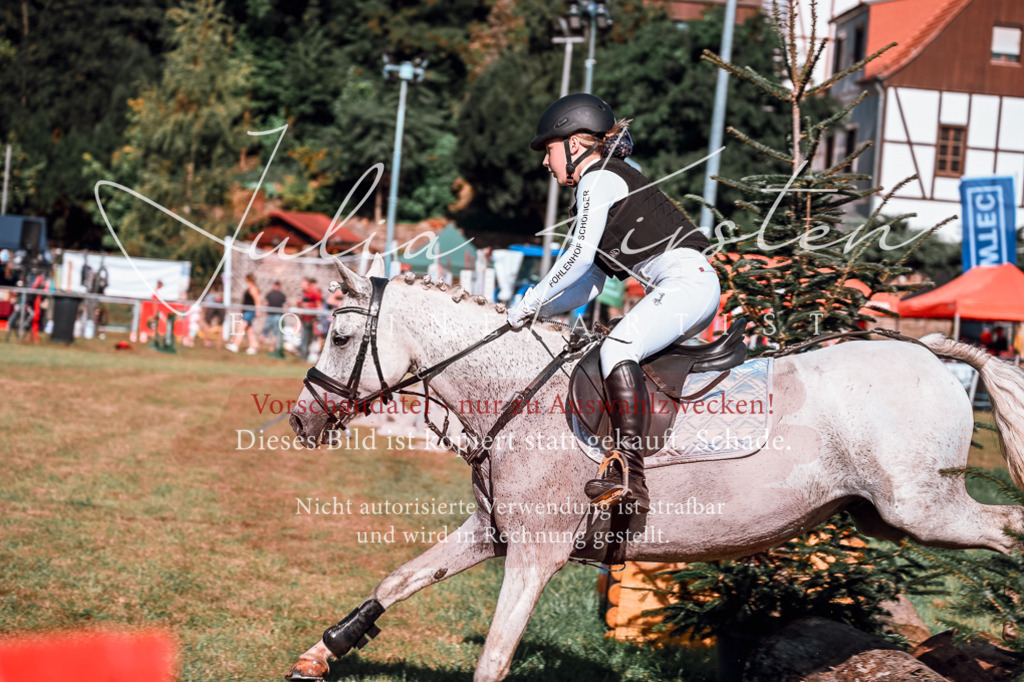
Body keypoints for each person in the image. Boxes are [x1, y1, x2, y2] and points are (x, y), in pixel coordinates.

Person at [507, 93, 721, 513]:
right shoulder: (607, 178)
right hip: (685, 286)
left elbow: (576, 256)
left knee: (618, 347)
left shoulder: (598, 178)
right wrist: (540, 312)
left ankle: (630, 475)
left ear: (572, 144)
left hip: (687, 284)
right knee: (619, 348)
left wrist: (528, 299)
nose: (544, 163)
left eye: (547, 149)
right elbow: (590, 280)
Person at [227, 273, 260, 354]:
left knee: (241, 328)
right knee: (249, 330)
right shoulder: (249, 288)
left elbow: (257, 300)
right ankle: (253, 346)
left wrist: (258, 311)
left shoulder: (253, 288)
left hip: (250, 311)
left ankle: (235, 345)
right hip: (246, 311)